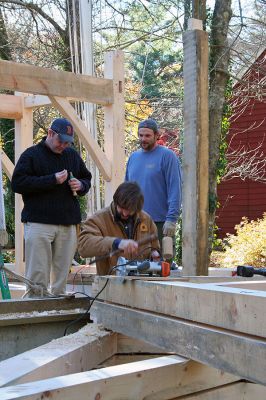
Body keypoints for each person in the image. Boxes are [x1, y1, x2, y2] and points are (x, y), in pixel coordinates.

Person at [11, 117, 92, 297]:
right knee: (38, 272)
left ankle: (58, 305)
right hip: (39, 222)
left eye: (67, 142)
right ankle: (35, 307)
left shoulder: (72, 155)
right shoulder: (31, 155)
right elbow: (17, 183)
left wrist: (81, 185)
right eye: (60, 140)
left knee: (62, 271)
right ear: (50, 133)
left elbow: (87, 178)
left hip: (68, 223)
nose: (63, 145)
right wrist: (52, 180)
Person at [125, 118, 182, 257]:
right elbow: (126, 190)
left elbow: (175, 189)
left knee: (162, 266)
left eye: (147, 136)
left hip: (160, 223)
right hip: (136, 222)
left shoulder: (167, 156)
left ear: (157, 136)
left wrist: (172, 219)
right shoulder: (133, 158)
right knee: (137, 266)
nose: (143, 139)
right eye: (141, 135)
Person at [78, 181, 160, 275]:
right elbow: (83, 247)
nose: (125, 213)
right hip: (110, 284)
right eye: (122, 208)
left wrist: (155, 254)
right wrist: (116, 243)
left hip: (141, 283)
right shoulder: (99, 219)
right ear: (116, 201)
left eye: (129, 210)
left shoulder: (146, 220)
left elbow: (155, 247)